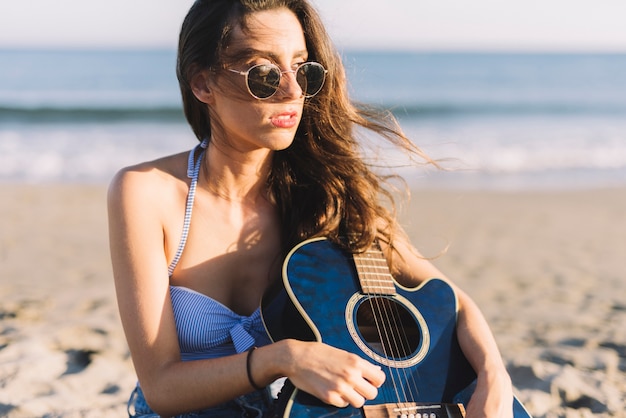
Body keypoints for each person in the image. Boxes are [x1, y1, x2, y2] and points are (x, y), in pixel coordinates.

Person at [107, 0, 514, 416]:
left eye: (303, 70)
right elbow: (161, 387)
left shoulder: (327, 194)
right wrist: (283, 358)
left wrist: (494, 375)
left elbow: (450, 300)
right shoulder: (145, 193)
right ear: (202, 83)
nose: (292, 91)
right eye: (263, 75)